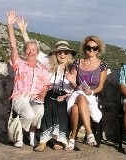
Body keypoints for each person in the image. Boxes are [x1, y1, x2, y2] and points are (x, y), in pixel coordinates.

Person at [7, 10, 49, 148]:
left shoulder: (42, 68)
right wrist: (10, 26)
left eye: (34, 50)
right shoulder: (19, 64)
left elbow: (46, 85)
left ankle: (28, 133)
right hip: (20, 97)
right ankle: (17, 134)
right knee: (29, 115)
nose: (31, 52)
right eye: (28, 49)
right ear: (24, 52)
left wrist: (44, 91)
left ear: (38, 53)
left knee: (40, 111)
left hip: (34, 98)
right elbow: (13, 46)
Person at [33, 40, 76, 152]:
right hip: (49, 93)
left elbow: (75, 88)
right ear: (55, 54)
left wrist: (68, 91)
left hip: (65, 95)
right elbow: (36, 52)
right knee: (47, 107)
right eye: (59, 52)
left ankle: (58, 140)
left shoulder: (72, 68)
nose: (62, 55)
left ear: (68, 54)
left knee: (60, 109)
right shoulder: (49, 64)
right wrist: (23, 30)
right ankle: (43, 141)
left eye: (65, 52)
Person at [66, 35, 107, 150]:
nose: (91, 50)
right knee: (80, 96)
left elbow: (100, 86)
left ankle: (72, 139)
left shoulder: (102, 65)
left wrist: (91, 91)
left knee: (75, 109)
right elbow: (73, 83)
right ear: (84, 48)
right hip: (76, 94)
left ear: (98, 50)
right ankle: (89, 133)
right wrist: (74, 84)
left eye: (95, 48)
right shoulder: (77, 63)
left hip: (91, 96)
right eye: (89, 47)